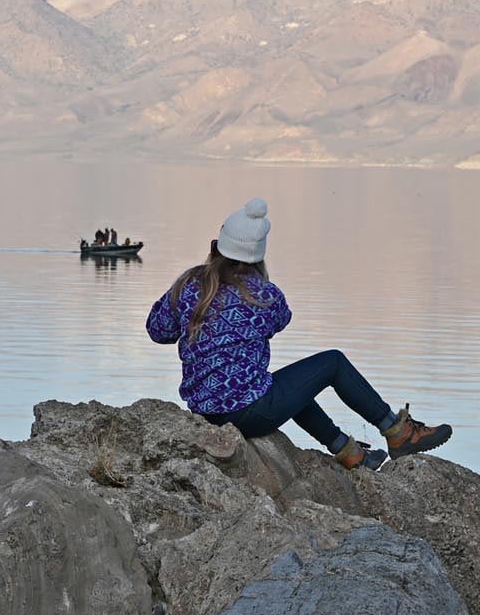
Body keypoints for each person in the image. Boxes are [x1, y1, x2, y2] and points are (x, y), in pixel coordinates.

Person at [146, 198, 451, 470]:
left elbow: (157, 331)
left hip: (205, 411)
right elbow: (281, 321)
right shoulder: (264, 295)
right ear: (259, 256)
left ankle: (349, 452)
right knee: (332, 363)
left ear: (216, 246)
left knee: (291, 386)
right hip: (248, 415)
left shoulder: (188, 285)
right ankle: (398, 433)